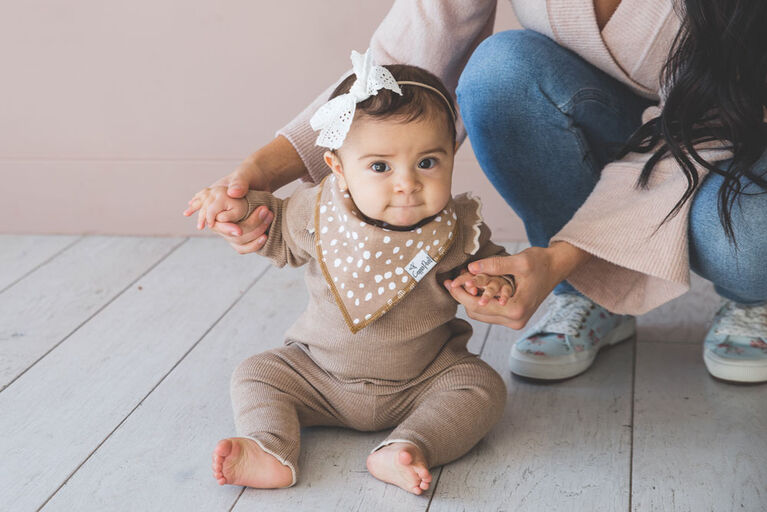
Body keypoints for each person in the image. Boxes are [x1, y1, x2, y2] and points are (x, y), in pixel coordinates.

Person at [191, 0, 767, 384]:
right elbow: (393, 73)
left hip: (733, 133)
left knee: (746, 236)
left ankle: (753, 300)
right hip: (612, 114)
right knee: (500, 73)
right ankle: (584, 291)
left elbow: (705, 127)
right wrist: (255, 175)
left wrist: (564, 252)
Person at [184, 53, 513, 493]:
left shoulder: (459, 231)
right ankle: (269, 445)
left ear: (452, 154)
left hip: (423, 379)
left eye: (428, 163)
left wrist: (494, 285)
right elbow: (274, 227)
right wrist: (240, 209)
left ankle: (410, 446)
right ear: (338, 167)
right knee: (256, 372)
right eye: (380, 166)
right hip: (318, 375)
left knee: (482, 387)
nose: (407, 183)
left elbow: (494, 267)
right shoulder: (317, 212)